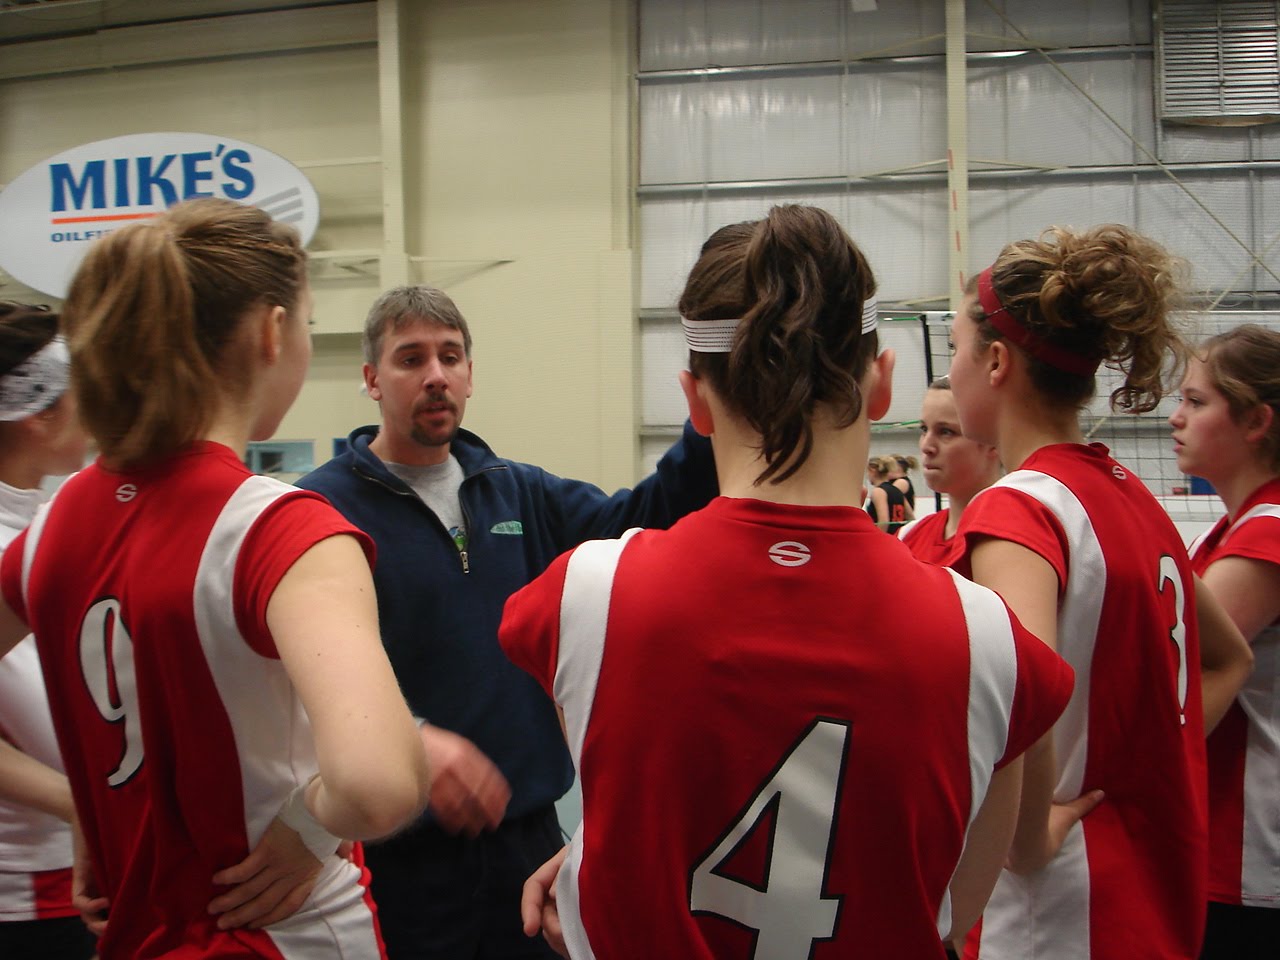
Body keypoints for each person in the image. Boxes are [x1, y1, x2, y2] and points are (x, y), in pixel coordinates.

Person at [501, 204, 1074, 959]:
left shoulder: (584, 594)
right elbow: (957, 895)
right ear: (881, 384)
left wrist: (594, 870)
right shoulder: (991, 638)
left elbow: (628, 801)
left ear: (694, 401)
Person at [0, 198, 432, 959]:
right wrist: (310, 825)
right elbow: (377, 783)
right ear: (273, 333)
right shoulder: (279, 527)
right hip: (280, 934)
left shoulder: (51, 530)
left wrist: (96, 812)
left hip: (136, 935)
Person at [296, 285, 718, 959]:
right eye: (411, 359)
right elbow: (291, 683)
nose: (435, 375)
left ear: (469, 374)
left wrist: (712, 413)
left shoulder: (516, 489)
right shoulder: (318, 509)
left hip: (528, 843)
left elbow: (643, 515)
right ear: (372, 379)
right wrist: (409, 741)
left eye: (450, 356)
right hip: (400, 865)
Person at [946, 224, 1254, 960]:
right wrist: (1144, 763)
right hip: (1152, 886)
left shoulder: (1018, 507)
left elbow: (1032, 691)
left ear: (994, 362)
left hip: (1058, 910)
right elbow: (1229, 659)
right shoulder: (1129, 495)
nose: (950, 370)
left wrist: (1023, 840)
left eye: (955, 348)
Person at [1168, 323, 1280, 960]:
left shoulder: (1264, 538)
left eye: (1197, 401)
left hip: (1248, 858)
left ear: (1257, 420)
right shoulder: (1229, 535)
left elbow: (1173, 671)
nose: (1176, 417)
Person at [0, 302, 95, 960]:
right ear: (39, 413)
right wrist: (78, 803)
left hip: (85, 862)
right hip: (23, 890)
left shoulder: (56, 511)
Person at [898, 377, 1001, 566]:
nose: (926, 446)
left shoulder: (1013, 540)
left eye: (945, 431)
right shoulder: (908, 537)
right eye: (924, 429)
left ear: (992, 441)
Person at [865, 453, 914, 527]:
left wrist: (880, 538)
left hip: (886, 536)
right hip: (898, 535)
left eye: (867, 472)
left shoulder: (879, 491)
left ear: (873, 471)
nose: (867, 476)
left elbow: (884, 521)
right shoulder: (897, 490)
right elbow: (911, 517)